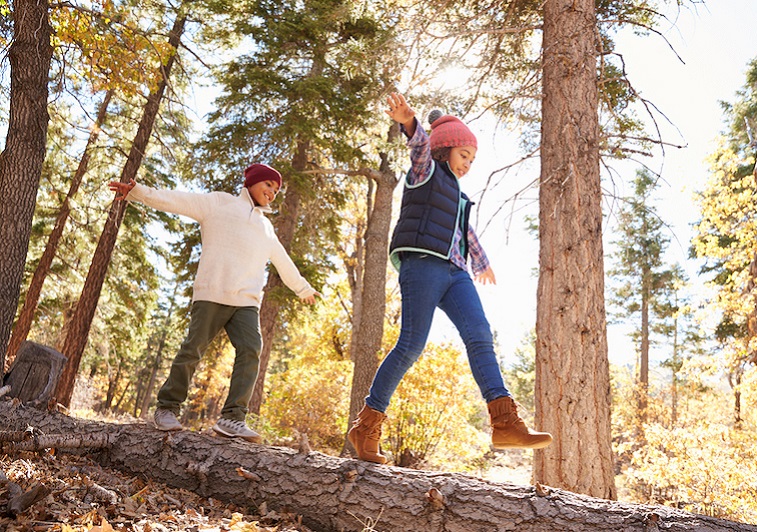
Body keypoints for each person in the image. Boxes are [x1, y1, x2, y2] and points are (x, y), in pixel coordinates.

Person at [347, 93, 553, 464]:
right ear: (445, 151)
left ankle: (504, 422)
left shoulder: (459, 194)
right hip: (422, 262)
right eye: (463, 156)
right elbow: (420, 146)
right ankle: (367, 426)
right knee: (410, 345)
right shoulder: (426, 171)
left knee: (479, 335)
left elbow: (465, 232)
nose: (467, 165)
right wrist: (409, 122)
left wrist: (481, 262)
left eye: (472, 160)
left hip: (456, 272)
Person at [109, 164, 319, 443]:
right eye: (268, 185)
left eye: (276, 190)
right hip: (212, 293)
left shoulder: (266, 227)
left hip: (245, 302)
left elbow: (283, 261)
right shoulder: (219, 203)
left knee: (251, 349)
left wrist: (302, 288)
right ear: (252, 182)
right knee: (193, 349)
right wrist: (137, 193)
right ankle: (167, 408)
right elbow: (178, 200)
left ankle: (233, 417)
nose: (272, 192)